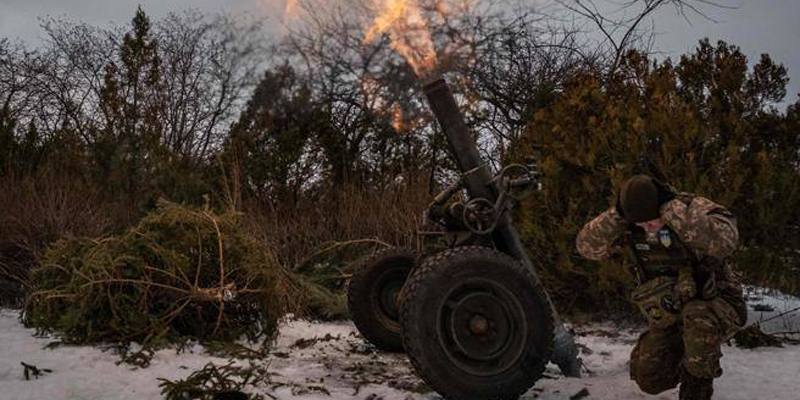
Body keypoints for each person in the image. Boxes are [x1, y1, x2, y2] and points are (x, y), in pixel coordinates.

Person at [576, 175, 747, 400]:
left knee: (697, 317)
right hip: (670, 312)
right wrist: (618, 214)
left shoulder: (692, 208)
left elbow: (726, 241)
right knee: (649, 378)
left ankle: (697, 385)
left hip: (718, 304)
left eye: (653, 221)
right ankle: (691, 358)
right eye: (642, 225)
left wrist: (672, 212)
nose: (650, 229)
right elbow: (586, 248)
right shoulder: (629, 223)